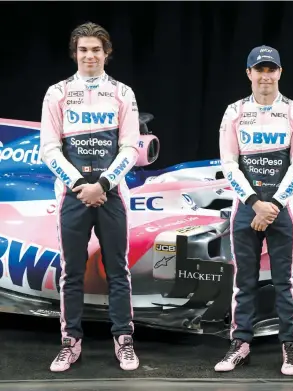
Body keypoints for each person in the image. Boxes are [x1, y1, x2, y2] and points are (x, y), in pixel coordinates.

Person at [40, 22, 140, 372]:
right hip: (73, 195)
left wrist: (105, 184)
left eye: (96, 49)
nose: (90, 55)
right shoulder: (58, 93)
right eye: (83, 49)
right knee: (72, 272)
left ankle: (124, 339)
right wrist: (81, 185)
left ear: (106, 53)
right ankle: (70, 342)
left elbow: (130, 146)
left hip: (111, 195)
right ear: (75, 53)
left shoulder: (122, 93)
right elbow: (49, 149)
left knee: (118, 270)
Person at [215, 45, 293, 376]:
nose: (265, 76)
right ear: (249, 74)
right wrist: (255, 202)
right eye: (260, 70)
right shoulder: (234, 112)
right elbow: (228, 164)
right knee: (244, 281)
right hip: (245, 208)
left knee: (285, 281)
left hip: (282, 209)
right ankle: (240, 343)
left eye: (271, 69)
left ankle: (290, 345)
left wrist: (272, 205)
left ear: (280, 73)